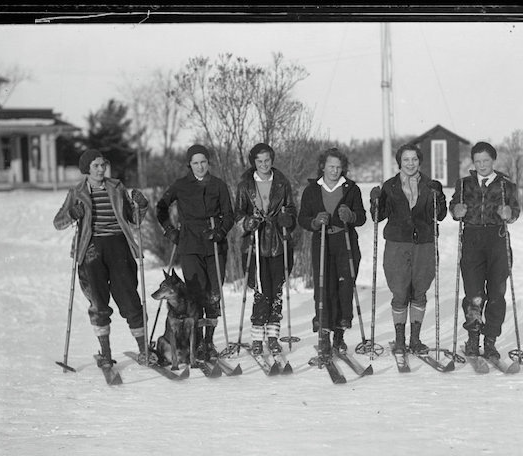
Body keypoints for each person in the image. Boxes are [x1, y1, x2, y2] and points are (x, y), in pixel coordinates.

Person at [53, 149, 151, 367]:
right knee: (98, 301)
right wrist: (72, 214)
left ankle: (144, 350)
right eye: (96, 165)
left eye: (103, 165)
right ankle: (105, 354)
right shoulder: (76, 192)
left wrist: (141, 205)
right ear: (86, 169)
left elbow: (133, 220)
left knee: (129, 298)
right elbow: (58, 222)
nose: (101, 169)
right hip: (91, 249)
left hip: (119, 246)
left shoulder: (116, 187)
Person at [155, 144, 234, 361]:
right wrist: (170, 230)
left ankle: (209, 342)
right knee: (195, 295)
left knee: (214, 295)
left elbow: (229, 214)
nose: (200, 166)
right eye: (195, 163)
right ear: (189, 165)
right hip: (189, 244)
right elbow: (160, 207)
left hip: (214, 244)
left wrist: (221, 231)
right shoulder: (181, 185)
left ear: (209, 163)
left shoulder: (218, 185)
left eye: (203, 162)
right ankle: (196, 343)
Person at [370, 142, 447, 355]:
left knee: (420, 290)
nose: (410, 163)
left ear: (419, 161)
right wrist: (375, 201)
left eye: (414, 159)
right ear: (399, 162)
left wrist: (438, 196)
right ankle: (399, 340)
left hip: (425, 244)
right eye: (406, 159)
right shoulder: (389, 186)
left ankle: (415, 339)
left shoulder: (431, 185)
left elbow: (440, 215)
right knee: (400, 291)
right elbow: (378, 217)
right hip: (397, 245)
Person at [448, 141, 520, 361]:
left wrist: (510, 213)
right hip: (472, 241)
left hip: (497, 241)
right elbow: (453, 207)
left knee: (497, 296)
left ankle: (490, 342)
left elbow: (515, 211)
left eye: (485, 161)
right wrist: (456, 210)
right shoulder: (463, 184)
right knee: (474, 296)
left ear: (493, 160)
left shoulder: (506, 185)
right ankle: (472, 338)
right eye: (477, 161)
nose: (481, 165)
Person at [299, 147, 366, 357]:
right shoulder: (311, 190)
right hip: (322, 240)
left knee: (344, 287)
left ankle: (339, 336)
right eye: (331, 167)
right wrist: (314, 221)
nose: (335, 171)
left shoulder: (351, 189)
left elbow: (362, 217)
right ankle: (324, 337)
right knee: (323, 287)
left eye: (338, 167)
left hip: (345, 241)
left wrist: (351, 216)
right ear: (323, 167)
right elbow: (302, 218)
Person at [234, 143, 297, 355]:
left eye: (267, 160)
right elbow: (238, 214)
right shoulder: (245, 185)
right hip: (255, 243)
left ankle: (273, 337)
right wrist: (246, 222)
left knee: (276, 291)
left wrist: (287, 218)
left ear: (272, 160)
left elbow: (291, 209)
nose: (263, 164)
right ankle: (257, 339)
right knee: (261, 293)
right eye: (259, 161)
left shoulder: (282, 183)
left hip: (279, 243)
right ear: (253, 162)